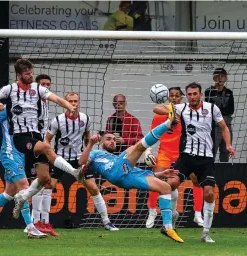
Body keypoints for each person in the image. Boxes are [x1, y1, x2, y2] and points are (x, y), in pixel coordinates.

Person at [0, 59, 85, 219]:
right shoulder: (10, 89)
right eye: (27, 74)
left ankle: (21, 198)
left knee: (44, 179)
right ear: (19, 75)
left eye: (31, 73)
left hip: (35, 136)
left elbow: (56, 99)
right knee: (46, 147)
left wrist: (69, 106)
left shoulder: (37, 89)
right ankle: (74, 172)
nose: (31, 76)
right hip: (20, 138)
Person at [79, 104, 184, 243]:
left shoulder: (118, 158)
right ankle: (168, 122)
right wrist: (90, 144)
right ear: (101, 142)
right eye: (108, 139)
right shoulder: (96, 153)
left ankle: (168, 227)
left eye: (113, 139)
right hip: (114, 173)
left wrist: (161, 174)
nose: (112, 141)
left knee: (164, 187)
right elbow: (82, 161)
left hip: (126, 176)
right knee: (136, 147)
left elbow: (139, 172)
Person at [153, 82, 235, 243]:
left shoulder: (211, 108)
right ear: (187, 95)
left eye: (195, 94)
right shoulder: (182, 108)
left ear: (200, 94)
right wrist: (170, 111)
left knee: (209, 194)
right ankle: (172, 220)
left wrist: (228, 144)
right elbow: (156, 109)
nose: (192, 97)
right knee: (169, 184)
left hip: (206, 159)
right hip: (186, 157)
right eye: (189, 94)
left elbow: (224, 127)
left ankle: (205, 232)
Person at [45, 92, 118, 231]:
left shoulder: (85, 118)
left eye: (76, 101)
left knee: (94, 189)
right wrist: (52, 157)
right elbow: (47, 140)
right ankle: (43, 222)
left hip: (79, 160)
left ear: (79, 102)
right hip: (60, 159)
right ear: (65, 103)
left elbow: (87, 137)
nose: (73, 104)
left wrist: (88, 151)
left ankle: (107, 222)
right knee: (48, 187)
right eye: (70, 101)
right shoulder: (57, 120)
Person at [0, 108, 47, 239]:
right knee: (24, 187)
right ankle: (30, 228)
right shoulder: (7, 109)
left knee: (10, 192)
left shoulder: (29, 109)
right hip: (9, 153)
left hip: (21, 154)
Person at [146, 87, 204, 229]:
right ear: (167, 98)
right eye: (171, 95)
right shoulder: (160, 115)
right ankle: (152, 212)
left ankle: (197, 214)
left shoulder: (186, 114)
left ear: (181, 98)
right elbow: (152, 135)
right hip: (165, 151)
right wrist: (148, 150)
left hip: (182, 152)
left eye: (177, 96)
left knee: (196, 179)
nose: (173, 98)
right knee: (156, 180)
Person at [25, 74, 59, 236]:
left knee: (47, 185)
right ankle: (33, 222)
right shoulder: (32, 103)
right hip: (33, 147)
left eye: (48, 84)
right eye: (43, 84)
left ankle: (44, 222)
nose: (46, 86)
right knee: (36, 185)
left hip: (44, 147)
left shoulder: (46, 104)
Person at [205, 68, 234, 162]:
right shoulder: (209, 92)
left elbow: (231, 110)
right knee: (212, 151)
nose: (220, 78)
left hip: (227, 126)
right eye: (218, 76)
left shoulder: (229, 92)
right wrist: (220, 111)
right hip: (215, 126)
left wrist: (217, 110)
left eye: (223, 76)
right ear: (214, 78)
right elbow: (209, 109)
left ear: (226, 78)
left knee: (226, 151)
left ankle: (225, 174)